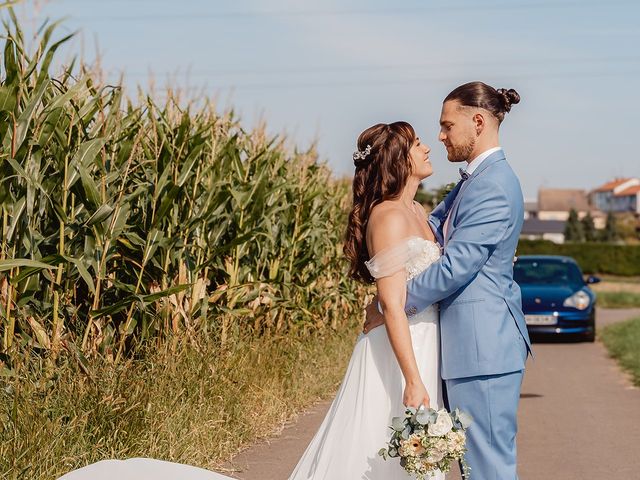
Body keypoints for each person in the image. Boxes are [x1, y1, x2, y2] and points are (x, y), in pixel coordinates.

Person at [58, 121, 445, 480]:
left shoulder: (417, 210)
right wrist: (411, 378)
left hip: (422, 338)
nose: (427, 147)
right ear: (398, 159)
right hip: (397, 349)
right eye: (416, 143)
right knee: (378, 441)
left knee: (409, 448)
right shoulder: (389, 216)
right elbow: (391, 304)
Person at [364, 82, 532, 479]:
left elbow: (457, 264)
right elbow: (428, 230)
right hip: (466, 347)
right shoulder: (471, 182)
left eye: (446, 126)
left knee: (487, 467)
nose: (440, 136)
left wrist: (393, 304)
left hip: (483, 347)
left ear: (477, 121)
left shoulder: (492, 184)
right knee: (472, 466)